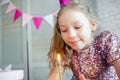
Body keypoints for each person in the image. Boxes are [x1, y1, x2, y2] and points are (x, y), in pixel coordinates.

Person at [48, 0, 120, 80]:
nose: (71, 35)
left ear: (92, 25)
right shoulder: (66, 50)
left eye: (77, 27)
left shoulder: (106, 42)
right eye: (64, 30)